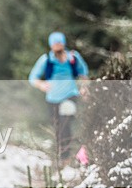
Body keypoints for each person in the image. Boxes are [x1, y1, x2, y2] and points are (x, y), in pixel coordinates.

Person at [28, 31, 89, 165]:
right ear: (51, 45)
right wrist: (41, 84)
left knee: (64, 124)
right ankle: (64, 156)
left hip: (70, 95)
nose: (57, 46)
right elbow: (32, 78)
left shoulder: (73, 57)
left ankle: (66, 157)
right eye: (55, 43)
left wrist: (85, 87)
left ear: (63, 44)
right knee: (58, 128)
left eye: (59, 43)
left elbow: (83, 72)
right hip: (52, 99)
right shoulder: (46, 60)